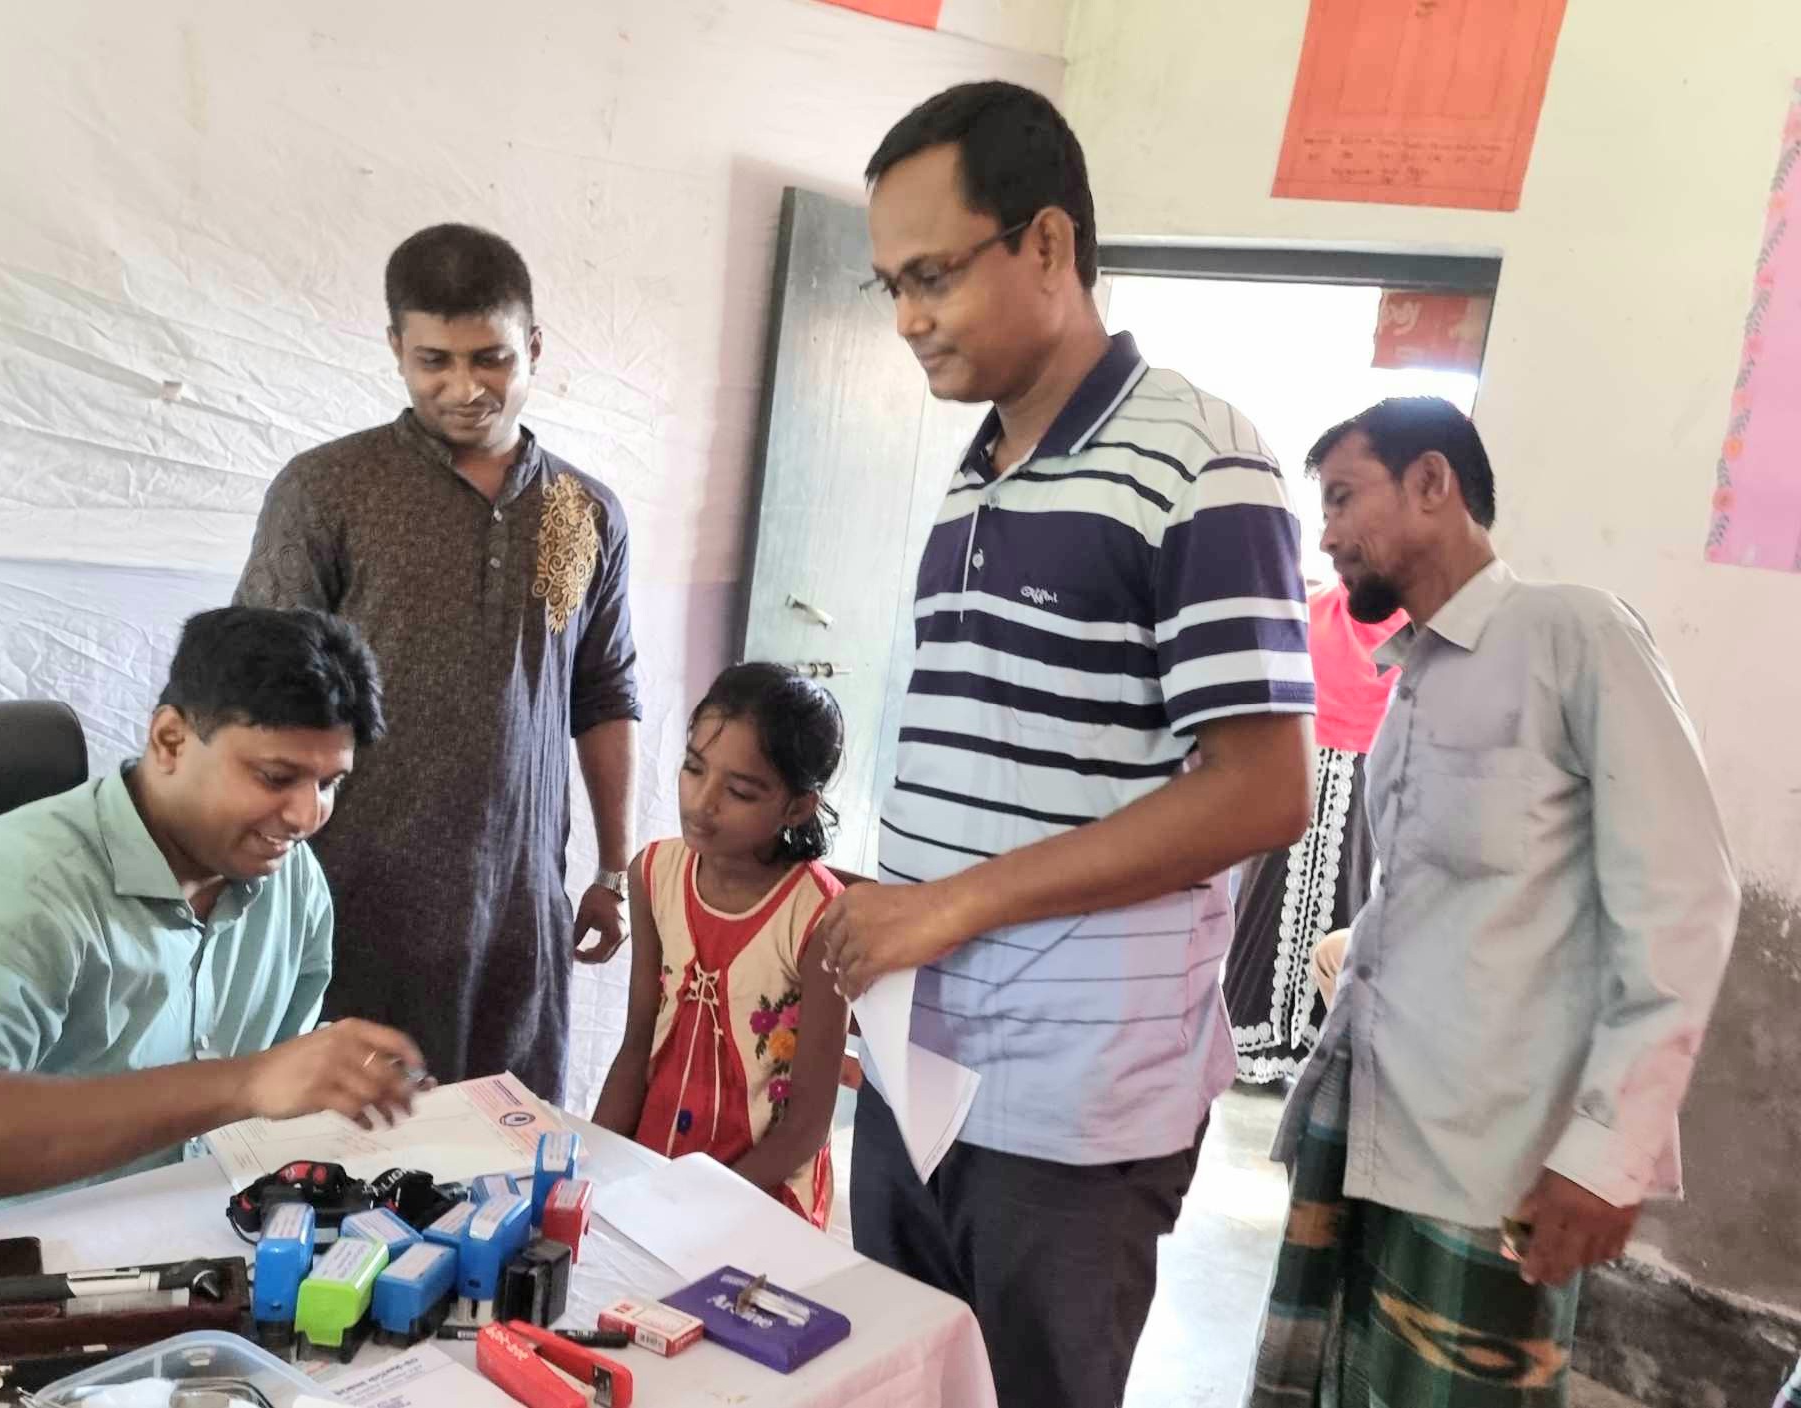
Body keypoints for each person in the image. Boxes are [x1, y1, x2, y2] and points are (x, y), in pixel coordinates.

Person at [815, 82, 1318, 1407]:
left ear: (1045, 244)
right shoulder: (978, 470)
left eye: (933, 274)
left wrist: (955, 905)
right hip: (924, 1063)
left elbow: (1268, 790)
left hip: (1074, 1111)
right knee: (912, 1381)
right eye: (889, 286)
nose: (910, 318)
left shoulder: (1199, 463)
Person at [1247, 398, 1741, 1407]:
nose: (1327, 534)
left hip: (1490, 1164)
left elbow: (1682, 900)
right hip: (1372, 1126)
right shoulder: (1411, 684)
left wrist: (1610, 1151)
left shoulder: (1572, 637)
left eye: (1342, 497)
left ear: (1431, 483)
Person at [0, 607, 415, 1256]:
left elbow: (257, 1087)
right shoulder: (15, 888)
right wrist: (245, 1082)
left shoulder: (292, 884)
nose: (307, 814)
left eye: (329, 782)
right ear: (170, 741)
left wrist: (331, 1079)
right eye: (275, 776)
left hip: (127, 1261)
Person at [236, 224, 640, 1102]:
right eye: (433, 361)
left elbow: (604, 696)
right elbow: (253, 693)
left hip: (518, 915)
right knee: (346, 1165)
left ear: (532, 346)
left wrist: (613, 871)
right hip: (353, 905)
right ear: (395, 350)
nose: (465, 388)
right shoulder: (327, 492)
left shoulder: (583, 512)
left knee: (506, 1148)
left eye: (491, 358)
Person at [591, 664, 847, 1226]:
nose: (702, 802)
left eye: (738, 791)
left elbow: (806, 1127)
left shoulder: (819, 918)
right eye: (693, 768)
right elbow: (637, 1046)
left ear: (797, 807)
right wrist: (594, 1170)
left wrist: (701, 1202)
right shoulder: (653, 873)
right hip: (653, 1167)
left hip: (761, 1193)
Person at [1225, 580, 1404, 1083]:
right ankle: (1251, 1039)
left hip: (1360, 769)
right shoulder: (1310, 607)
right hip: (1296, 758)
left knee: (1344, 897)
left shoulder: (1411, 621)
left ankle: (1318, 1049)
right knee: (1267, 895)